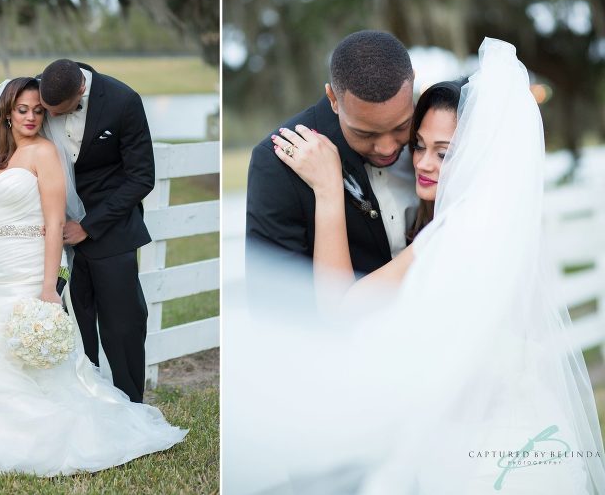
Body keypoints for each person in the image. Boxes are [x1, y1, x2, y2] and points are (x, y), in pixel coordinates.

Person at [224, 39, 605, 493]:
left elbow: (345, 306)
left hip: (469, 429)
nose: (396, 149)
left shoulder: (459, 228)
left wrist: (329, 193)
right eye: (418, 145)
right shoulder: (281, 162)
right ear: (333, 99)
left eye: (407, 133)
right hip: (350, 417)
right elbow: (279, 312)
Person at [0, 77, 186, 476]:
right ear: (7, 113)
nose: (31, 117)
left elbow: (54, 225)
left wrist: (49, 287)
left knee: (21, 346)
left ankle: (44, 429)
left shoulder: (45, 153)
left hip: (32, 267)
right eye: (23, 110)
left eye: (37, 110)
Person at [246, 30, 420, 283]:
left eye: (401, 126)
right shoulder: (277, 164)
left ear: (412, 82)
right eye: (365, 133)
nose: (387, 148)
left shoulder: (436, 134)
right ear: (333, 99)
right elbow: (274, 293)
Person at [38, 59, 153, 404]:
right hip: (54, 237)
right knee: (73, 325)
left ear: (81, 90)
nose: (49, 117)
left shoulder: (123, 101)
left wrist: (88, 226)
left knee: (123, 327)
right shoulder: (39, 92)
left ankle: (131, 405)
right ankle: (86, 403)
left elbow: (141, 177)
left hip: (111, 232)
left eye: (58, 111)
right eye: (47, 110)